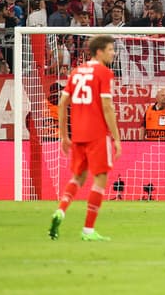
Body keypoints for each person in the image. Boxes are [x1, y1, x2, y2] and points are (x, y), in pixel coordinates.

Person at [49, 34, 122, 242]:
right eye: (110, 49)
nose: (113, 53)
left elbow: (63, 104)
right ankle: (88, 230)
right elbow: (107, 107)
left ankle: (61, 210)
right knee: (100, 179)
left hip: (78, 134)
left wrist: (64, 135)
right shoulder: (104, 73)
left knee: (78, 177)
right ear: (99, 52)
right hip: (97, 134)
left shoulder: (76, 72)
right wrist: (116, 138)